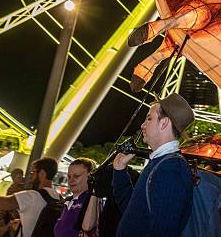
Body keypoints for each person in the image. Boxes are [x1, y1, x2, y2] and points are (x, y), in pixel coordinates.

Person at [112, 93, 195, 236]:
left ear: (164, 123)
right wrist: (119, 171)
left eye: (149, 118)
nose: (142, 125)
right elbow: (134, 214)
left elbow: (163, 231)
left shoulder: (170, 170)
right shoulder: (161, 163)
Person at [0, 157, 61, 237]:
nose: (30, 177)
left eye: (33, 172)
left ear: (42, 173)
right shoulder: (58, 198)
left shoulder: (32, 196)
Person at [54, 158, 96, 237]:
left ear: (90, 177)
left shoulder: (91, 200)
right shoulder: (68, 201)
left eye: (76, 176)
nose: (71, 180)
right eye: (69, 176)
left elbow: (88, 226)